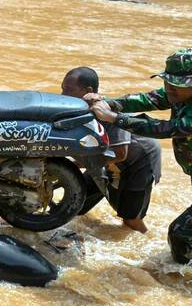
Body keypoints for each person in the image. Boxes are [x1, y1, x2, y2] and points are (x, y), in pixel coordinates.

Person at [85, 49, 192, 264]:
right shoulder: (180, 93)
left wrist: (114, 118)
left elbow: (170, 128)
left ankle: (187, 280)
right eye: (167, 81)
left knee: (181, 233)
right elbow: (146, 100)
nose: (169, 88)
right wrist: (108, 102)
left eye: (177, 84)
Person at [63, 67, 162, 234]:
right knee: (75, 201)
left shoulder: (107, 110)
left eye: (68, 90)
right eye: (62, 88)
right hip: (106, 158)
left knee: (131, 219)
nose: (63, 95)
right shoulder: (77, 110)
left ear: (88, 91)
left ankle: (149, 241)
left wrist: (76, 163)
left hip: (140, 160)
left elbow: (121, 153)